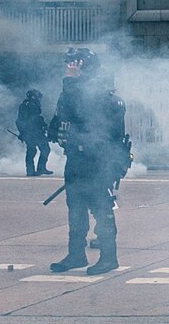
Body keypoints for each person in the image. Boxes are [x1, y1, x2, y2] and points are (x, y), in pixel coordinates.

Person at [47, 48, 129, 275]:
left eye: (75, 64)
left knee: (101, 208)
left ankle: (109, 258)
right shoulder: (72, 90)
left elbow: (82, 110)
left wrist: (70, 80)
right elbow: (63, 117)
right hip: (77, 157)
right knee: (76, 208)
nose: (70, 68)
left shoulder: (97, 92)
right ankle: (76, 255)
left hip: (96, 160)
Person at [17, 89, 53, 176]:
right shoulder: (32, 106)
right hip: (35, 132)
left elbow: (19, 121)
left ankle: (30, 171)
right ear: (33, 96)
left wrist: (22, 132)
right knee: (45, 149)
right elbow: (35, 119)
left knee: (31, 150)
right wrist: (43, 126)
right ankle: (41, 168)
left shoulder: (24, 105)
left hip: (28, 132)